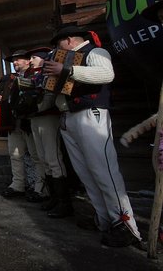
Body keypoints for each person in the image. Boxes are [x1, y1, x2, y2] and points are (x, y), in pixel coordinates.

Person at [43, 25, 142, 247]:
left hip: (91, 113)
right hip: (70, 116)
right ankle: (105, 219)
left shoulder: (95, 52)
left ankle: (125, 224)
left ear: (69, 40)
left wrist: (66, 71)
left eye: (58, 43)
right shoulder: (69, 59)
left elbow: (107, 74)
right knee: (85, 172)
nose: (57, 49)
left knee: (104, 170)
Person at [24, 46, 74, 218]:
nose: (30, 61)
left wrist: (35, 107)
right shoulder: (32, 76)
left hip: (48, 117)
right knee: (44, 158)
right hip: (35, 118)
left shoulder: (47, 74)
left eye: (34, 57)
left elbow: (50, 97)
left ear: (44, 59)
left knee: (53, 158)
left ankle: (64, 202)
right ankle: (54, 197)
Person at [0, 50, 46, 202]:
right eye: (14, 61)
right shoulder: (11, 79)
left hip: (29, 122)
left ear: (26, 61)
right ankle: (18, 185)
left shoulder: (36, 75)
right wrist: (1, 97)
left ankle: (41, 188)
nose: (15, 63)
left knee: (36, 155)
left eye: (18, 60)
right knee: (15, 155)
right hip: (13, 123)